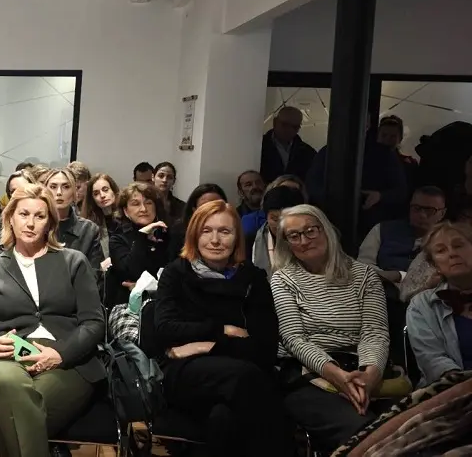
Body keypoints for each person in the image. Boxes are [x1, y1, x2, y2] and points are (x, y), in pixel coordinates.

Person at [0, 183, 105, 457]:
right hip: (8, 360)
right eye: (24, 214)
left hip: (69, 362)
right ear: (10, 218)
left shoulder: (74, 261)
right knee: (9, 385)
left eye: (39, 216)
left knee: (14, 412)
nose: (30, 223)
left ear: (50, 222)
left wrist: (60, 354)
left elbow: (94, 323)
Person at [153, 200, 294, 457]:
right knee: (249, 380)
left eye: (224, 231)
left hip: (241, 369)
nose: (215, 240)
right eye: (206, 231)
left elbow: (265, 347)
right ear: (194, 235)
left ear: (236, 237)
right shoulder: (176, 273)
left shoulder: (253, 279)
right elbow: (165, 329)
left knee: (223, 418)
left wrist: (203, 345)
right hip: (186, 374)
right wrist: (223, 330)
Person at [270, 204, 390, 452]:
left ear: (326, 230)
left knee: (401, 427)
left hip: (361, 369)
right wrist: (337, 376)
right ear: (286, 243)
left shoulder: (365, 276)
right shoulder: (283, 280)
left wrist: (368, 377)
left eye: (310, 230)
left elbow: (374, 333)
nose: (304, 240)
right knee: (365, 431)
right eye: (294, 236)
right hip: (308, 375)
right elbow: (294, 339)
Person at [406, 221, 472, 385]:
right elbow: (433, 361)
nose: (452, 254)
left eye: (458, 246)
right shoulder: (421, 305)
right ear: (436, 266)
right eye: (441, 250)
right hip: (450, 391)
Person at [358, 186, 447, 284]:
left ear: (442, 213)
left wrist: (398, 276)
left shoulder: (449, 240)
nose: (422, 215)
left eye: (429, 210)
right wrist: (384, 277)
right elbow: (363, 264)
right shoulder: (382, 229)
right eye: (416, 208)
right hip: (378, 286)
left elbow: (441, 276)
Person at [107, 182, 171, 308]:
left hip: (164, 302)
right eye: (135, 204)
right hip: (128, 305)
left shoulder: (169, 235)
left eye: (148, 203)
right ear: (126, 211)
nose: (143, 209)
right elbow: (130, 273)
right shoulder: (117, 239)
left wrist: (147, 288)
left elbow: (175, 277)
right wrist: (142, 237)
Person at [41, 167, 103, 271]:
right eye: (53, 187)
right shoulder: (37, 225)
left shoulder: (89, 230)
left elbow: (93, 273)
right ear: (45, 191)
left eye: (66, 187)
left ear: (74, 192)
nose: (59, 192)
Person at [249, 186, 305, 278]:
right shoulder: (251, 240)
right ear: (266, 217)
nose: (280, 225)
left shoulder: (309, 239)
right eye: (275, 219)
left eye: (287, 219)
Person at [167, 183, 227, 260]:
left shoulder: (231, 229)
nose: (211, 210)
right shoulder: (179, 230)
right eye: (205, 206)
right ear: (194, 209)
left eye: (216, 206)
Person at [0, 170, 34, 260]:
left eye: (22, 189)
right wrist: (13, 258)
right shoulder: (4, 215)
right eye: (13, 191)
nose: (17, 194)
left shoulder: (43, 214)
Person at [260, 106, 317, 183]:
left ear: (298, 128)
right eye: (285, 124)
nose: (289, 130)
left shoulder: (308, 153)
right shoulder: (259, 146)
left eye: (294, 127)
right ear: (275, 122)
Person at [80, 172, 121, 258]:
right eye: (96, 193)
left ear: (113, 191)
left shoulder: (126, 217)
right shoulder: (91, 225)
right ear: (92, 199)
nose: (102, 195)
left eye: (105, 190)